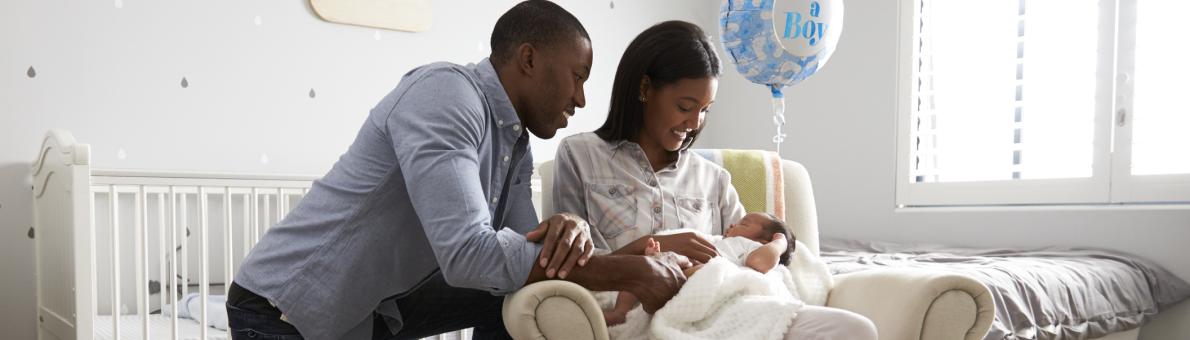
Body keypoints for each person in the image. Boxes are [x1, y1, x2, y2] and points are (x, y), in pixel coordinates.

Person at [227, 2, 687, 340]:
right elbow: (468, 252)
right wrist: (627, 274)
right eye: (578, 75)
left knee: (515, 289)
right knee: (501, 275)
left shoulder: (515, 144)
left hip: (369, 317)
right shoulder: (447, 95)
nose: (582, 99)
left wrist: (589, 237)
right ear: (528, 59)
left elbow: (537, 263)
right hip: (283, 313)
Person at [552, 20, 878, 339]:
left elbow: (746, 259)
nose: (695, 123)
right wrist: (652, 248)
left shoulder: (713, 178)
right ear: (644, 88)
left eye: (706, 110)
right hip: (636, 318)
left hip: (720, 313)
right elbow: (576, 268)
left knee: (855, 329)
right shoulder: (580, 156)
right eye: (685, 106)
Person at [603, 212, 794, 325]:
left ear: (764, 241)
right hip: (683, 265)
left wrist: (780, 243)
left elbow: (761, 263)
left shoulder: (749, 246)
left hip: (704, 273)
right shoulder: (718, 240)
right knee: (640, 269)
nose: (733, 224)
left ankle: (662, 264)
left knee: (697, 268)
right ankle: (621, 311)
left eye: (744, 223)